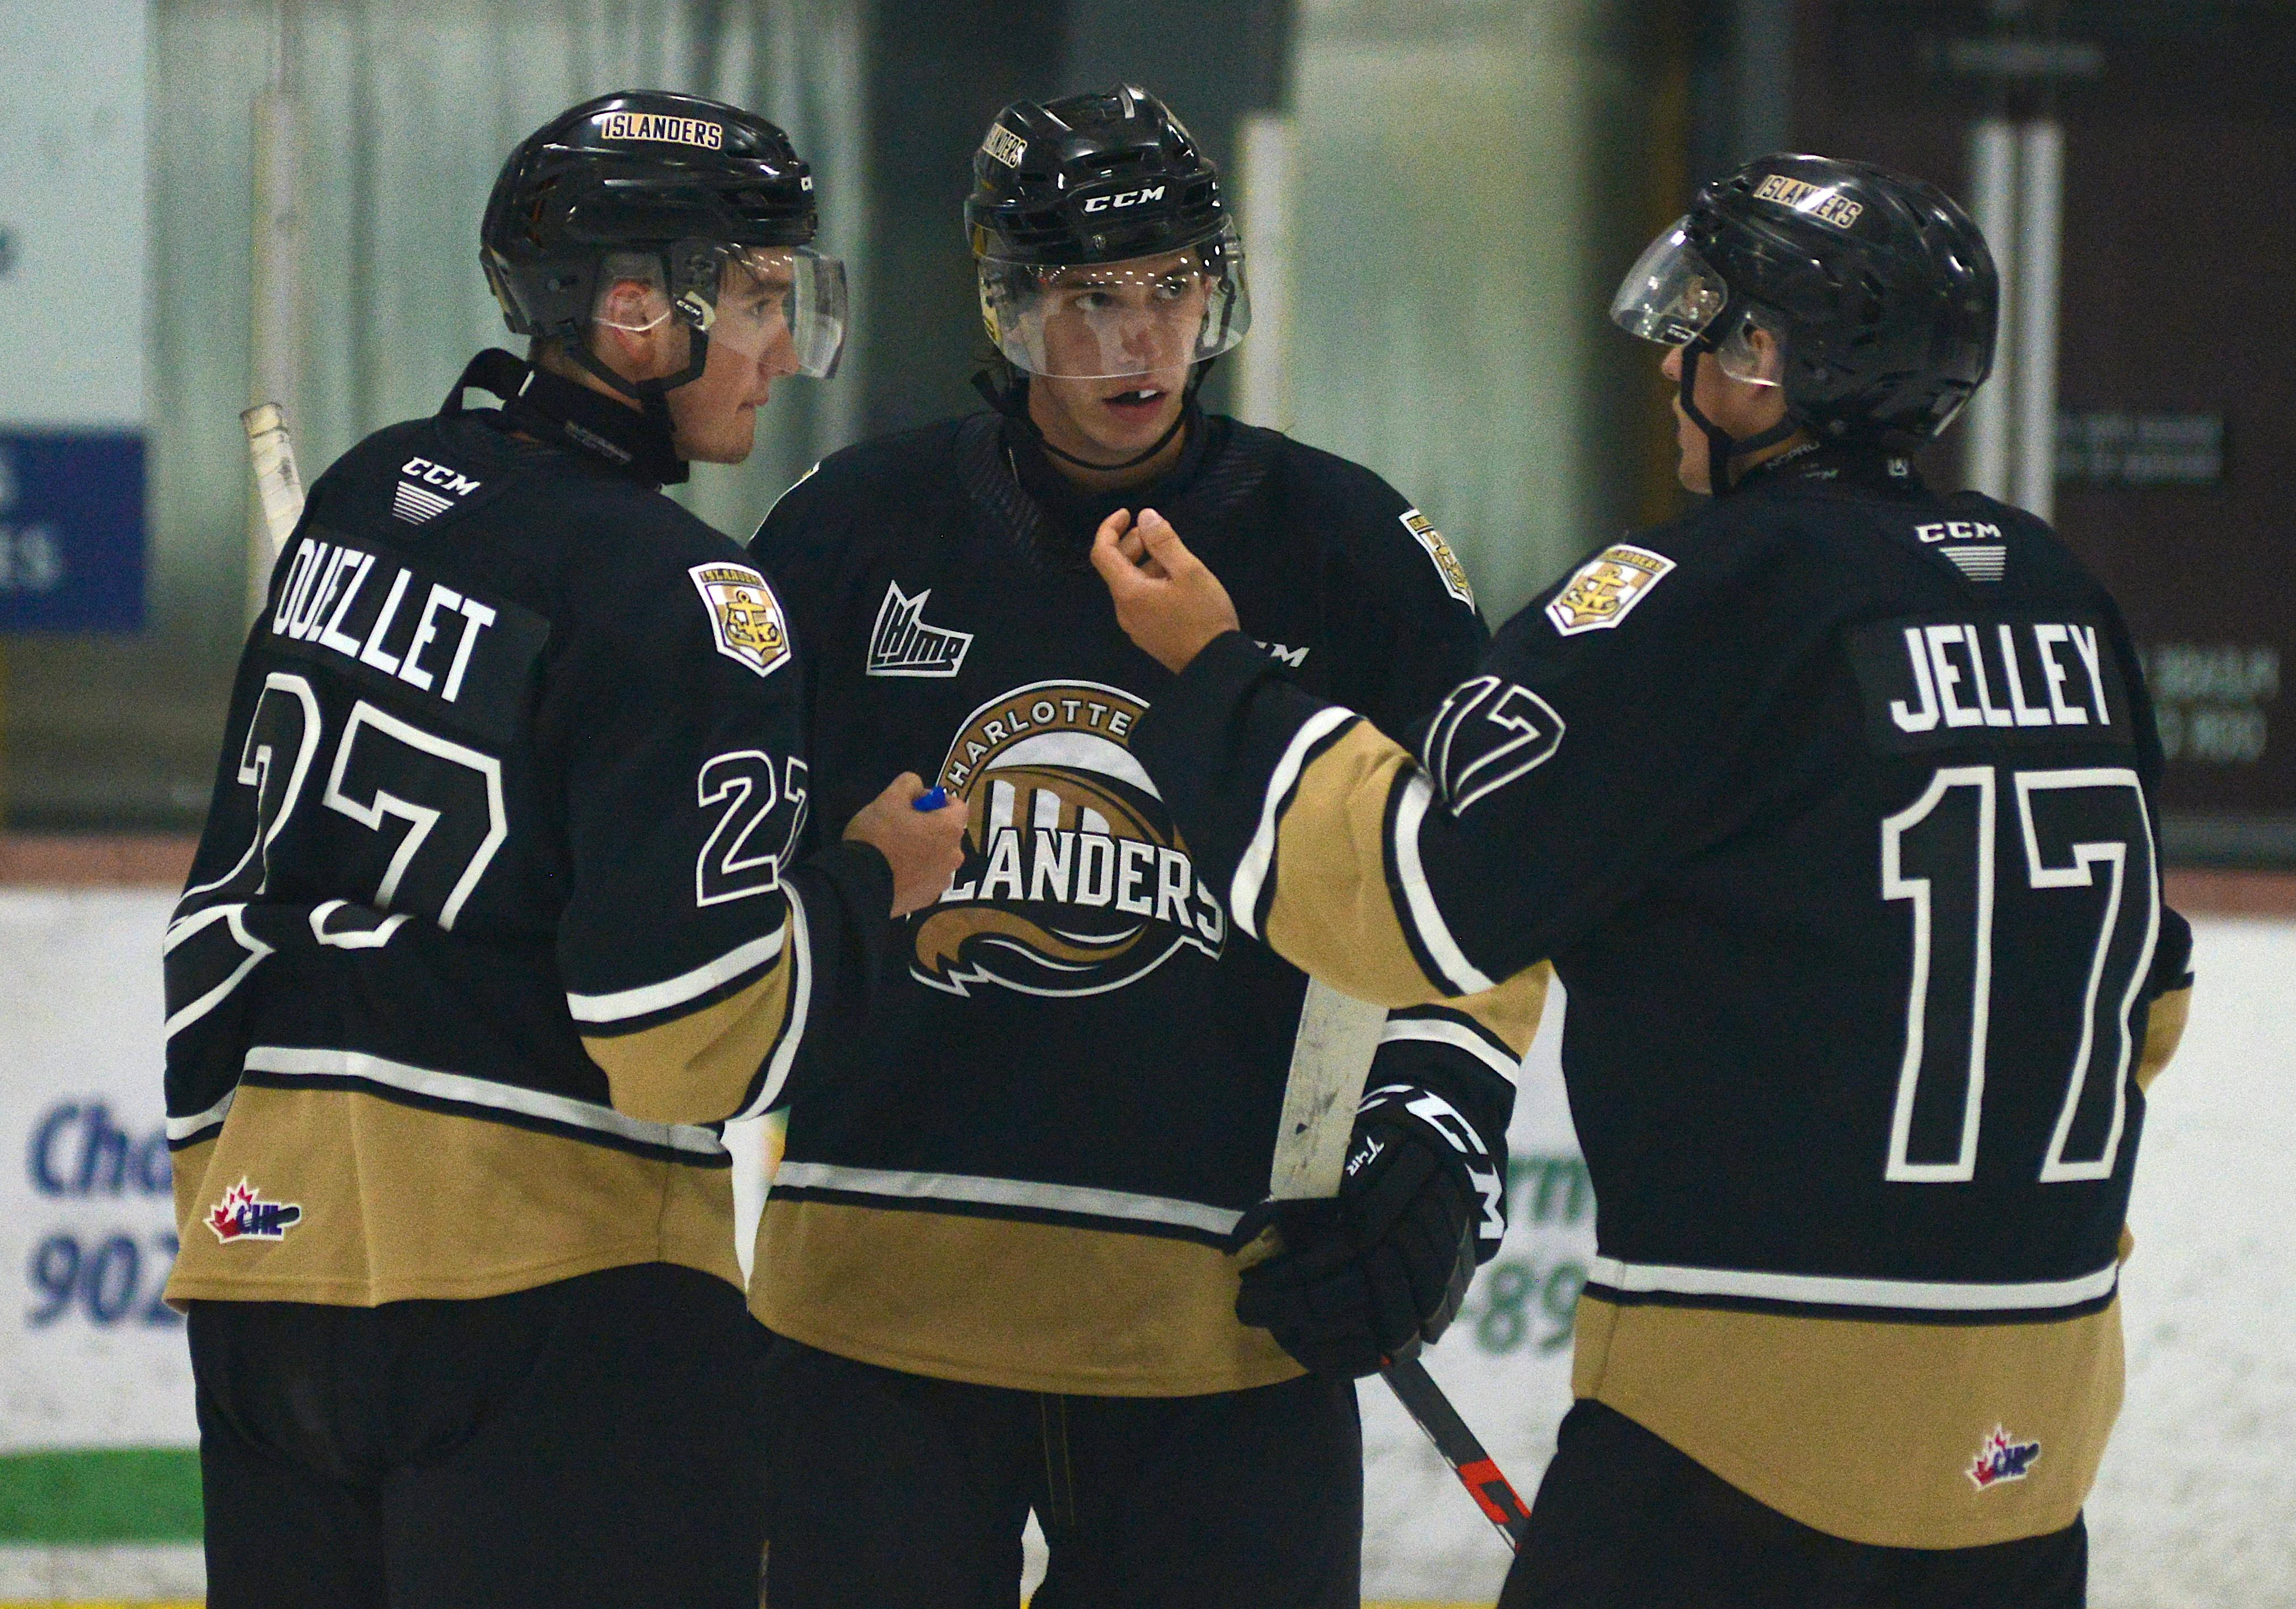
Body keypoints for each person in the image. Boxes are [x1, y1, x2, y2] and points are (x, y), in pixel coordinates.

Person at [1093, 153, 2196, 1609]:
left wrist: (1217, 682)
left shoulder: (1703, 596)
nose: (1671, 355)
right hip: (2029, 1439)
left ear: (1759, 364)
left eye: (1706, 324)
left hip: (1745, 1432)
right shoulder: (2059, 593)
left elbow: (1414, 899)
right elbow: (2146, 995)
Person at [746, 84, 1549, 1608]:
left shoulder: (1350, 550)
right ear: (1009, 302)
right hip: (873, 1323)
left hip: (1222, 1331)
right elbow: (716, 872)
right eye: (1090, 297)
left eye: (1173, 288)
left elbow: (1482, 891)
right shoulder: (846, 535)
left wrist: (1435, 1147)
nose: (1139, 342)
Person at [161, 90, 966, 1609]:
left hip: (265, 1267)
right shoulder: (688, 592)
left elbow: (218, 909)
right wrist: (870, 890)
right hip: (550, 1296)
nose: (783, 348)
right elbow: (683, 1041)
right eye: (755, 296)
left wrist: (239, 1198)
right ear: (629, 306)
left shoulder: (361, 497)